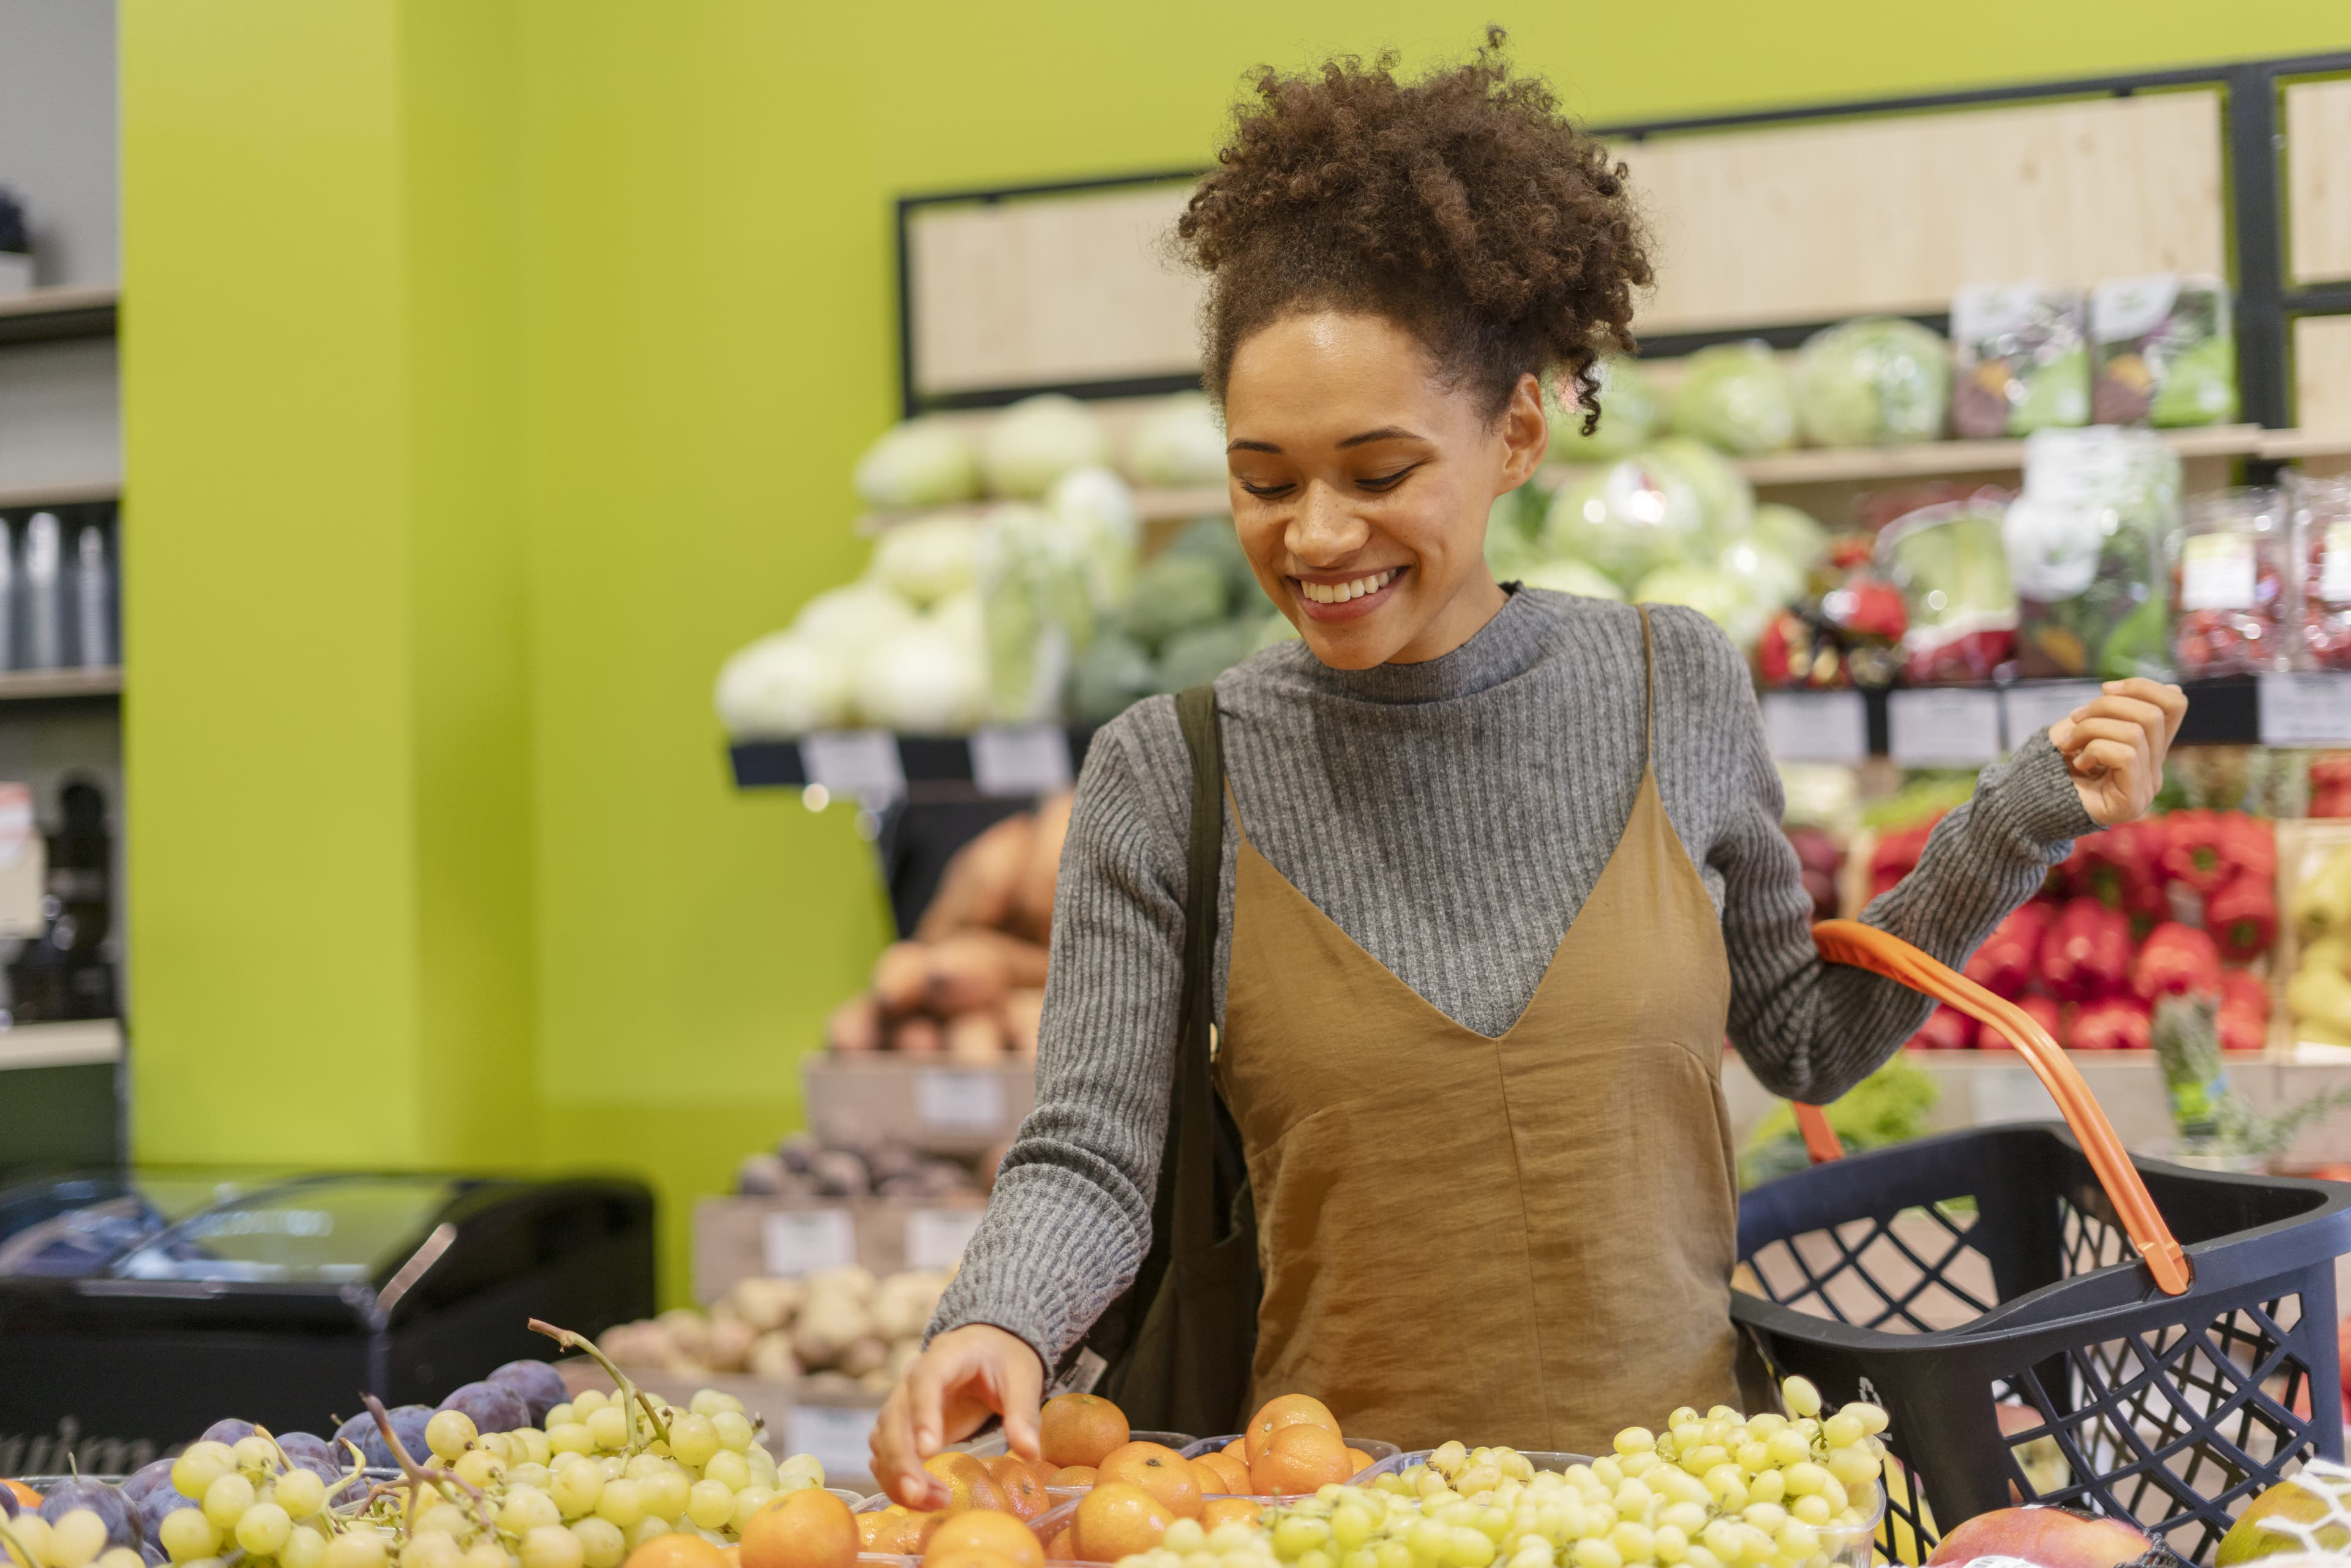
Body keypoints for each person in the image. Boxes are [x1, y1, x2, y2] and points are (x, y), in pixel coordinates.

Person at [871, 34, 2184, 1499]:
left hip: (1685, 1508)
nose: (1314, 536)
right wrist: (997, 1315)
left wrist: (2014, 821)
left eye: (1377, 475)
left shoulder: (1665, 681)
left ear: (1512, 435)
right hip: (1334, 1520)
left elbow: (1806, 1039)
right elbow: (1092, 1151)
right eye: (1264, 480)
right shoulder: (1171, 772)